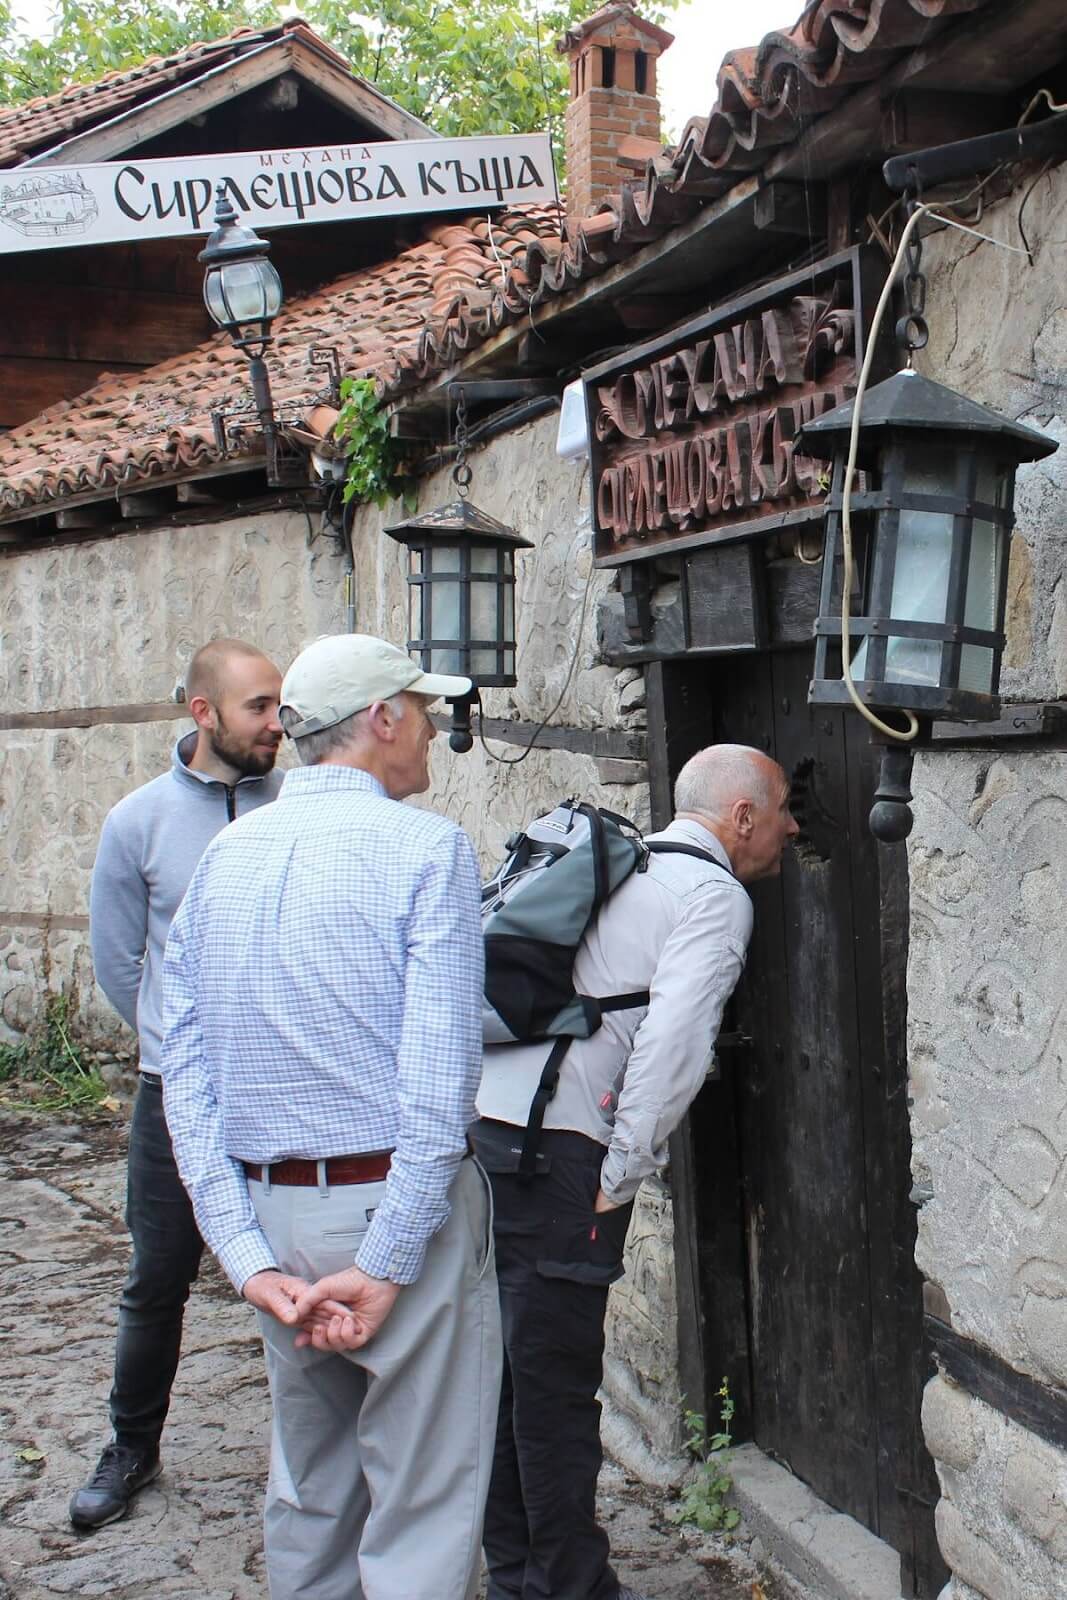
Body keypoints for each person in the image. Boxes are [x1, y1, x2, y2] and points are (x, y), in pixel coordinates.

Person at [160, 633, 502, 1600]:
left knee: (310, 1489)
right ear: (383, 719)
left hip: (275, 1219)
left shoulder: (224, 857)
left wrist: (247, 1257)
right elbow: (441, 1087)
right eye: (423, 713)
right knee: (423, 1501)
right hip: (397, 1209)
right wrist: (390, 1264)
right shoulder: (425, 849)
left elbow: (182, 1079)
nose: (433, 734)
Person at [473, 743, 799, 1600]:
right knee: (554, 1384)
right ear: (740, 817)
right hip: (563, 1153)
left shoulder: (623, 865)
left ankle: (517, 1573)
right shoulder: (711, 895)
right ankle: (570, 1587)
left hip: (493, 1134)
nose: (791, 828)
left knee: (510, 1370)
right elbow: (672, 1047)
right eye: (782, 810)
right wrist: (620, 1171)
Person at [70, 639, 284, 1532]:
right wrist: (177, 1046)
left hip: (285, 1088)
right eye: (259, 708)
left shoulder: (296, 809)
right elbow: (122, 963)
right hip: (178, 1096)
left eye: (281, 706)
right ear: (203, 715)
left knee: (303, 1268)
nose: (279, 725)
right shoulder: (139, 822)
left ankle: (315, 1457)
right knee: (158, 1275)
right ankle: (131, 1447)